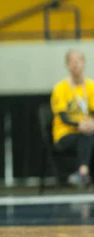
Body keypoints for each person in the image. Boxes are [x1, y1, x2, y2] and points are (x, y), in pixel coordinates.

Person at [51, 50, 94, 187]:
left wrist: (91, 123)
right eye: (72, 62)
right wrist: (79, 125)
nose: (75, 65)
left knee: (89, 135)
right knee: (87, 135)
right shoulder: (60, 88)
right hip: (65, 134)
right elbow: (63, 117)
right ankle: (84, 174)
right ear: (67, 65)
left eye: (78, 61)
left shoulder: (91, 87)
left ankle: (82, 173)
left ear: (84, 63)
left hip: (87, 131)